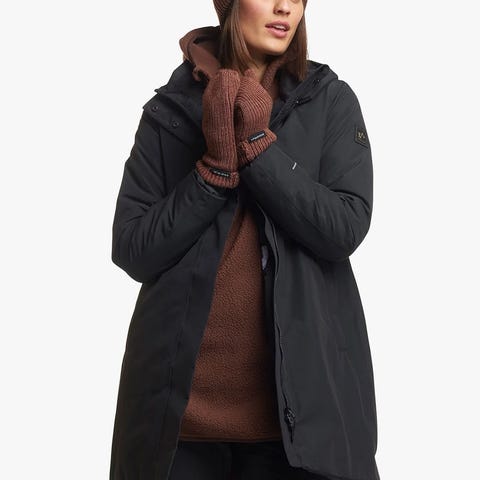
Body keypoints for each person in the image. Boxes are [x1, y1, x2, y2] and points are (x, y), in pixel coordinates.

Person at [109, 1, 380, 479]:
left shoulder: (329, 100)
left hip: (297, 428)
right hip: (178, 428)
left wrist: (259, 149)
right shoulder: (171, 110)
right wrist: (212, 172)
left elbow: (344, 228)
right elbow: (132, 248)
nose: (284, 7)